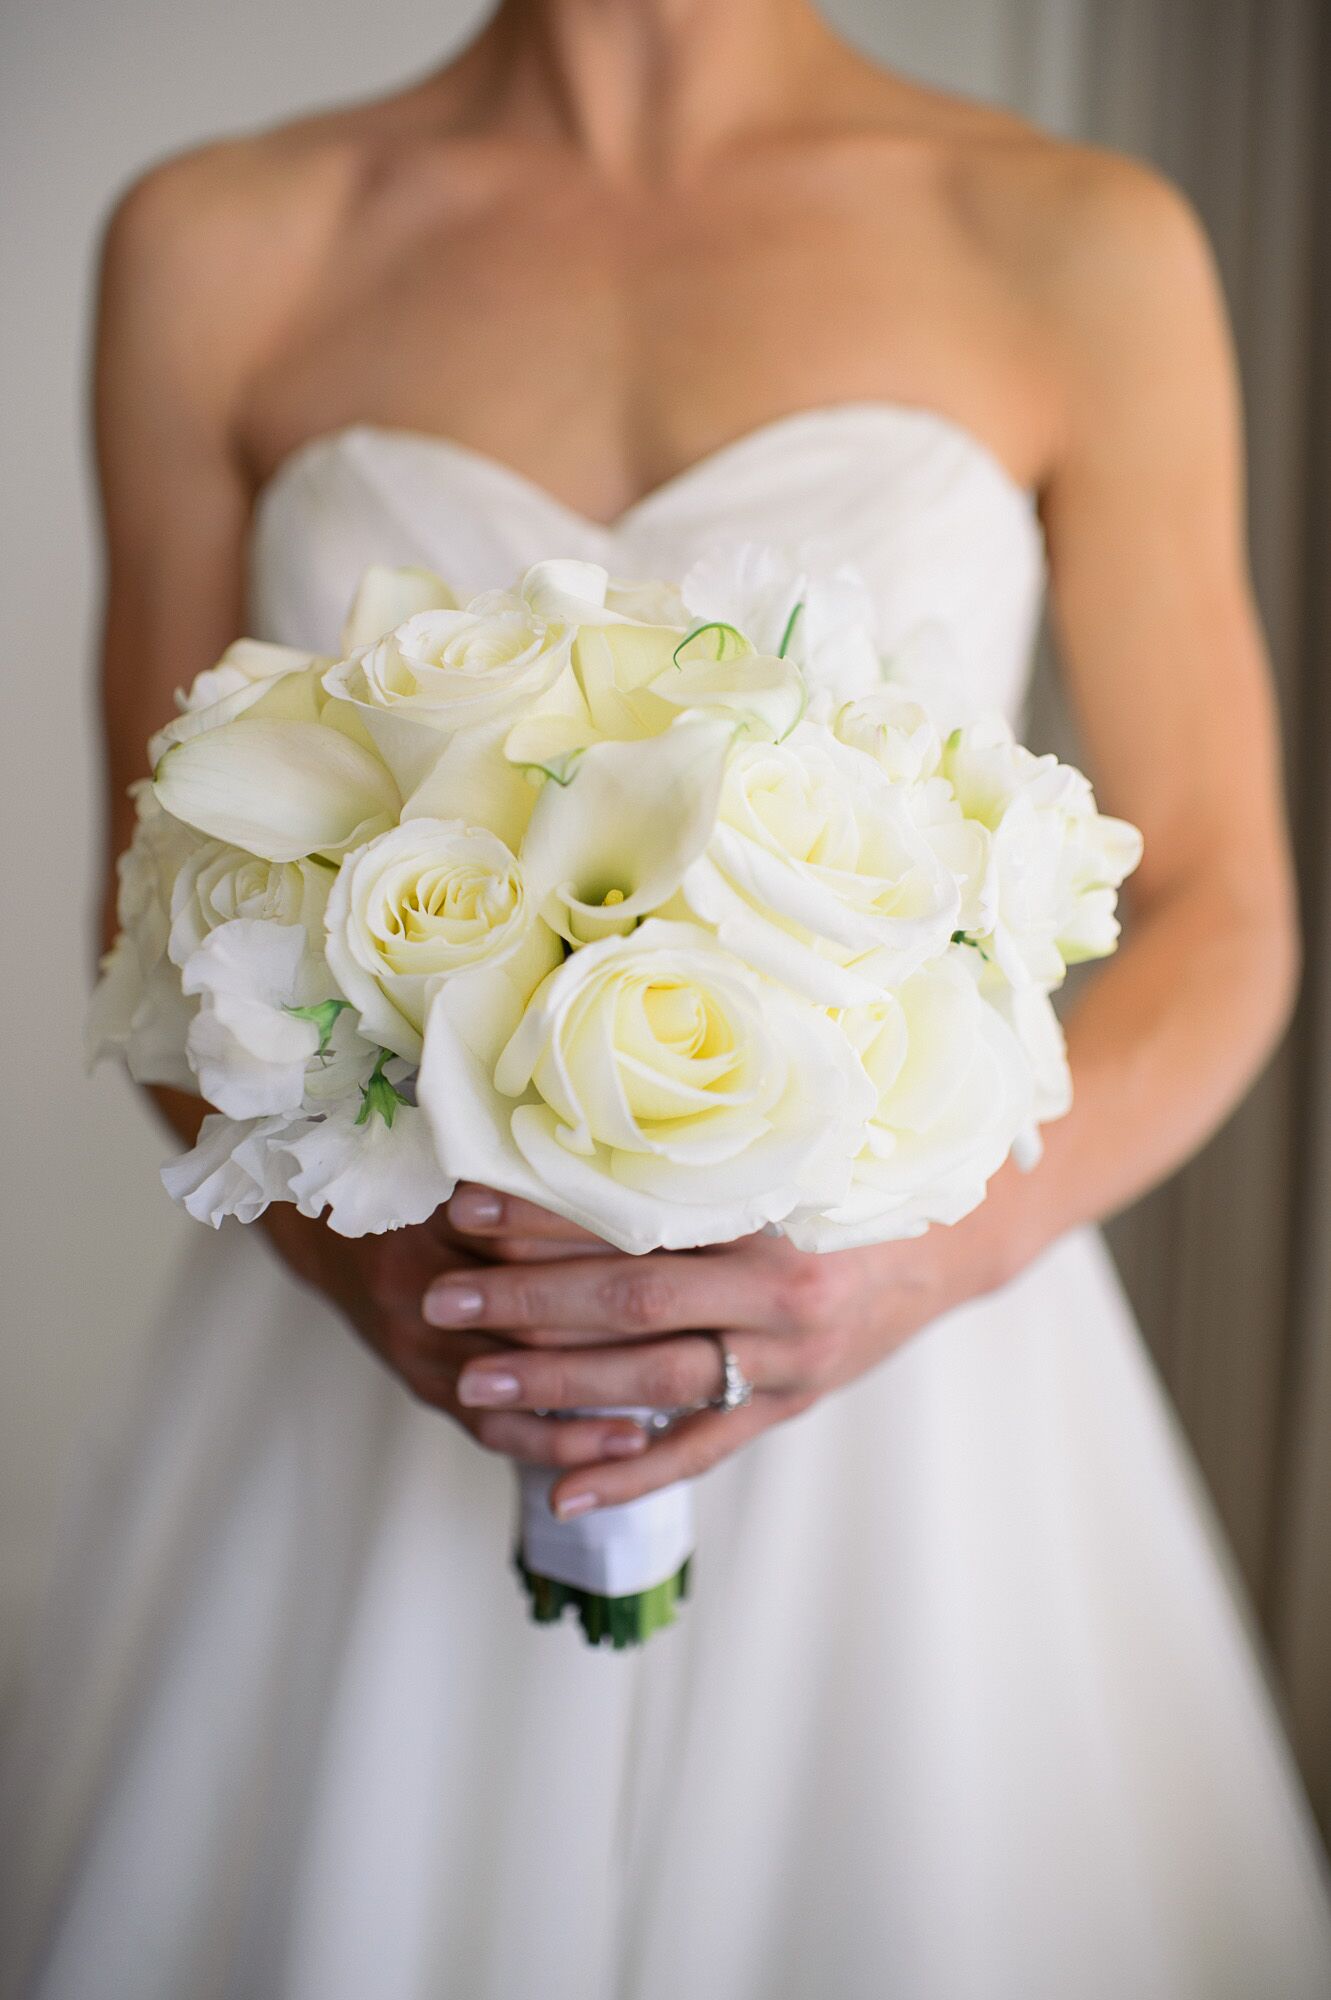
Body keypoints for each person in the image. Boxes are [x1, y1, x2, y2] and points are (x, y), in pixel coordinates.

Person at [5, 2, 1331, 1994]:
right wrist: (354, 1258)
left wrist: (909, 1268)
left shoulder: (1076, 239)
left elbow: (1227, 911)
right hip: (391, 1352)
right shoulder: (218, 242)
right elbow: (160, 921)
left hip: (917, 1400)